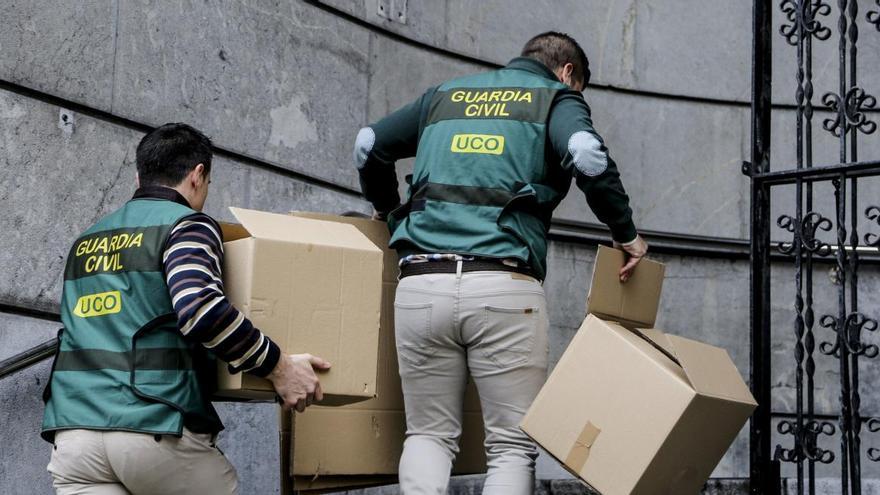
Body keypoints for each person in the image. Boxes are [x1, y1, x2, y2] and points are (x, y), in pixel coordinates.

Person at [354, 32, 648, 494]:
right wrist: (625, 233)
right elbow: (587, 156)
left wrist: (387, 211)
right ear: (568, 72)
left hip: (420, 284)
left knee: (429, 434)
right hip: (503, 285)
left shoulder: (446, 94)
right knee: (510, 446)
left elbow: (368, 143)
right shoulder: (555, 97)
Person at [41, 123, 330, 495]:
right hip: (152, 425)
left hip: (74, 437)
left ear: (138, 175)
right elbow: (200, 309)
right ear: (198, 175)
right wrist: (279, 366)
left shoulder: (87, 241)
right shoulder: (186, 225)